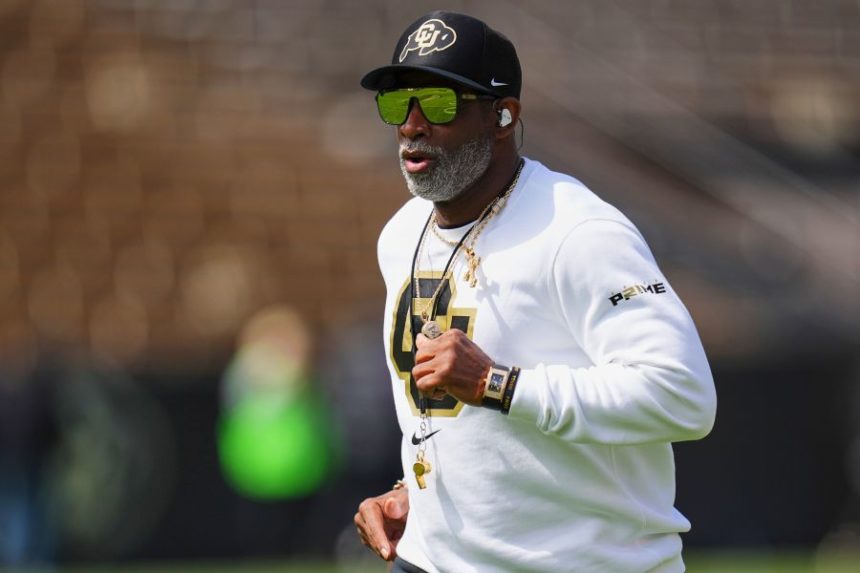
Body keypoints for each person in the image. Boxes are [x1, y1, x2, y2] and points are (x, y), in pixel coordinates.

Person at [354, 10, 716, 573]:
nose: (411, 125)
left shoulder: (578, 231)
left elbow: (685, 396)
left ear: (503, 115)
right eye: (398, 103)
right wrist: (415, 495)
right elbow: (446, 417)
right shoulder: (400, 234)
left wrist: (499, 384)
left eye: (441, 103)